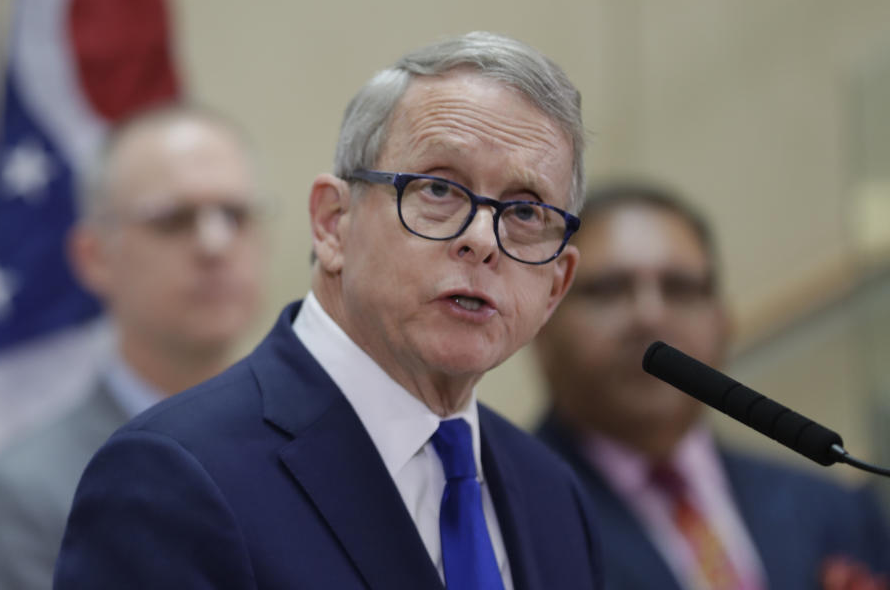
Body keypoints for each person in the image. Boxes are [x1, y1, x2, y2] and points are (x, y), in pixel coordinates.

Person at [53, 32, 602, 589]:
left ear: (556, 285)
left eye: (527, 212)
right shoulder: (173, 477)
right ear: (333, 224)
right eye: (439, 189)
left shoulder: (554, 494)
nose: (483, 239)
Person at [0, 104, 268, 590]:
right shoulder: (13, 500)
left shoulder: (327, 461)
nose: (215, 245)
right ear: (94, 257)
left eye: (235, 215)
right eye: (173, 219)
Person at [533, 182, 890, 590]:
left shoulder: (832, 509)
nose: (650, 316)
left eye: (680, 288)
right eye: (610, 290)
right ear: (543, 318)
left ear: (724, 322)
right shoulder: (503, 515)